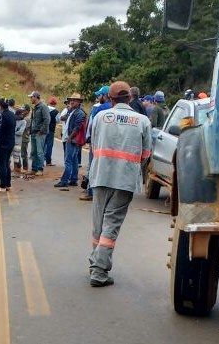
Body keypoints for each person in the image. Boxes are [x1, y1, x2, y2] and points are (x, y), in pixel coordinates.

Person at [88, 81, 152, 287]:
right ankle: (98, 271)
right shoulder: (142, 121)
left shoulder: (99, 117)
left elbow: (93, 145)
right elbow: (146, 154)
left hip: (100, 176)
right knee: (112, 223)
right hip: (125, 179)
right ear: (131, 98)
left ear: (110, 99)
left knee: (99, 222)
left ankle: (95, 264)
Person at [79, 87, 111, 201]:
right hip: (110, 145)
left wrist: (88, 139)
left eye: (99, 95)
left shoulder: (99, 108)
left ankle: (91, 192)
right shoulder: (114, 108)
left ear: (105, 95)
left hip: (96, 143)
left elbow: (92, 126)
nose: (98, 98)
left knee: (93, 166)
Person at [54, 93, 86, 189]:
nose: (72, 101)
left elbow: (77, 127)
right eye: (71, 100)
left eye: (74, 100)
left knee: (68, 160)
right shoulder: (72, 111)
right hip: (73, 139)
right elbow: (64, 119)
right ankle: (73, 179)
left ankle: (64, 181)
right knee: (74, 160)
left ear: (79, 102)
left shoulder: (79, 113)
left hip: (73, 139)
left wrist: (70, 137)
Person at [0, 98, 16, 192]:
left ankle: (3, 185)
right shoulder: (12, 114)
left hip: (3, 143)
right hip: (11, 142)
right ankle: (8, 184)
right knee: (6, 163)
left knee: (2, 164)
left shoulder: (2, 115)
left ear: (0, 106)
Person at [28, 91, 50, 176]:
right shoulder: (35, 107)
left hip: (40, 133)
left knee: (40, 152)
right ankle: (34, 168)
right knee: (34, 151)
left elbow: (47, 120)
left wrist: (41, 131)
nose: (30, 99)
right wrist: (31, 130)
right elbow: (33, 120)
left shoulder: (43, 107)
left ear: (36, 97)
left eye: (31, 97)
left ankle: (40, 169)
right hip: (34, 132)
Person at [44, 97, 58, 166]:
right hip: (51, 130)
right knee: (49, 145)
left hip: (44, 129)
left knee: (43, 144)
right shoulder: (56, 112)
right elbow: (58, 120)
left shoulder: (45, 109)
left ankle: (41, 160)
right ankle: (48, 161)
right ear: (55, 104)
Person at [13, 109, 27, 173]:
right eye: (21, 114)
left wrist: (13, 132)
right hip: (11, 140)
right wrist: (15, 131)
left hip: (18, 141)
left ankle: (16, 169)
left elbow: (20, 132)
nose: (22, 115)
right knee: (10, 156)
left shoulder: (23, 122)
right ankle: (13, 169)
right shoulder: (14, 120)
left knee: (16, 156)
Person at [20, 104, 31, 172]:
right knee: (21, 153)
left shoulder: (27, 119)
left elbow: (23, 128)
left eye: (24, 110)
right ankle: (22, 167)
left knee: (24, 154)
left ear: (27, 111)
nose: (22, 112)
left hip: (24, 138)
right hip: (22, 137)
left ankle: (25, 168)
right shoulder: (24, 117)